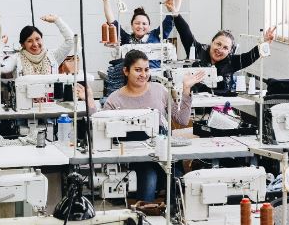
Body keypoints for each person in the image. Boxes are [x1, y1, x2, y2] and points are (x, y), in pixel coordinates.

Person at [78, 49, 204, 201]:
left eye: (146, 69)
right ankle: (145, 217)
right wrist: (90, 101)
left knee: (177, 180)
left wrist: (186, 90)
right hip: (135, 154)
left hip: (162, 149)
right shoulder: (115, 99)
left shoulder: (160, 90)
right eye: (138, 70)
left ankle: (174, 217)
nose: (143, 74)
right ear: (126, 71)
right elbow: (98, 125)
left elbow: (182, 120)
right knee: (149, 178)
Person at [166, 0, 276, 95]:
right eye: (218, 44)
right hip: (195, 106)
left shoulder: (232, 61)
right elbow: (185, 33)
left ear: (230, 51)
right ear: (212, 42)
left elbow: (250, 56)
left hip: (221, 106)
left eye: (225, 48)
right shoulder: (198, 50)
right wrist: (175, 14)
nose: (220, 49)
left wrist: (264, 43)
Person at [100, 0, 178, 68]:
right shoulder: (126, 38)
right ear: (132, 25)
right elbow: (112, 21)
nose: (140, 26)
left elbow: (172, 17)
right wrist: (106, 0)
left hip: (155, 76)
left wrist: (172, 8)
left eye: (144, 24)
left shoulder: (157, 35)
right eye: (137, 23)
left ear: (149, 26)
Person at [1, 14, 74, 76]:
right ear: (22, 44)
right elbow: (2, 68)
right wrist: (1, 44)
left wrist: (57, 20)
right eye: (29, 41)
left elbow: (71, 41)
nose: (35, 44)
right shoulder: (17, 58)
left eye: (37, 39)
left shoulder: (53, 56)